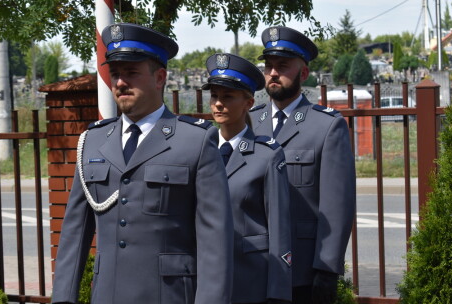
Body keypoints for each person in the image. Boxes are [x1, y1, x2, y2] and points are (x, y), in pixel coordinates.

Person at [51, 23, 234, 304]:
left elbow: (215, 242)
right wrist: (64, 298)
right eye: (115, 74)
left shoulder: (195, 141)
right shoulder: (92, 142)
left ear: (159, 77)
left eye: (132, 73)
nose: (120, 82)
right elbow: (74, 234)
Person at [249, 26, 356, 304]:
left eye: (282, 66)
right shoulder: (250, 122)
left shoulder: (326, 126)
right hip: (253, 265)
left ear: (303, 73)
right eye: (269, 66)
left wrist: (327, 268)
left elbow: (336, 206)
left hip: (302, 270)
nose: (273, 73)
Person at [203, 53, 292, 304]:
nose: (218, 104)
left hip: (250, 279)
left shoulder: (267, 155)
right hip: (204, 280)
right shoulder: (199, 149)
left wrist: (278, 291)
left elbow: (279, 228)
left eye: (228, 96)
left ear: (248, 103)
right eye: (214, 96)